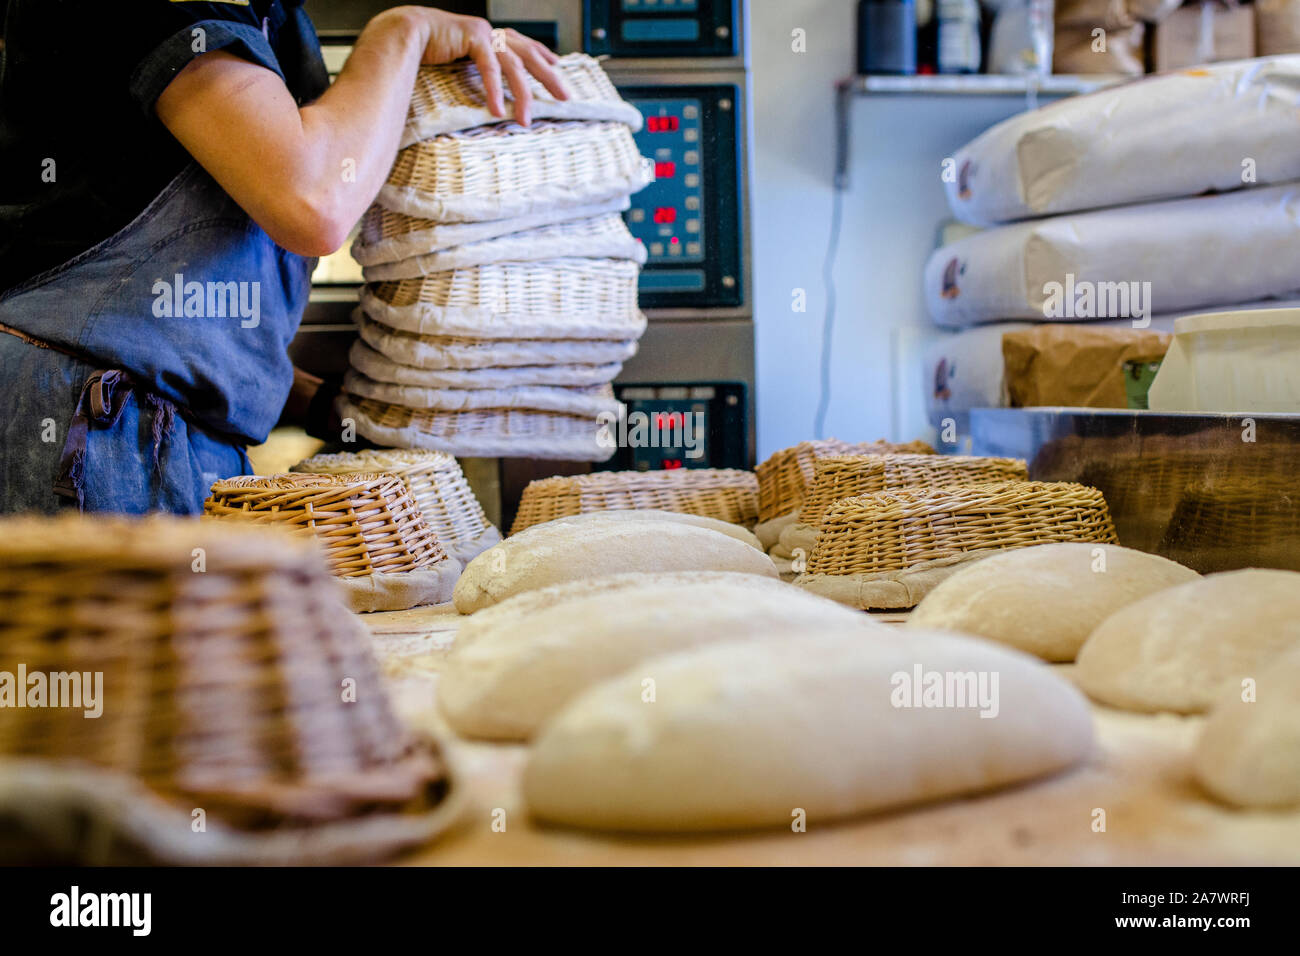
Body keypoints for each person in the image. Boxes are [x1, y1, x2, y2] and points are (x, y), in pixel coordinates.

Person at [0, 1, 566, 513]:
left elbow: (167, 316)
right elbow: (313, 201)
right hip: (88, 441)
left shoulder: (273, 16)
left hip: (146, 436)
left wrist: (326, 406)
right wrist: (404, 32)